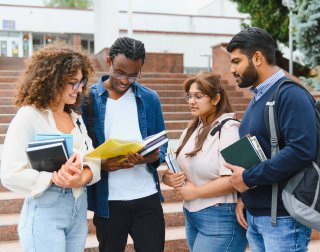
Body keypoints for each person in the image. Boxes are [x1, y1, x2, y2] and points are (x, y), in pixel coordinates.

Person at [0, 44, 101, 251]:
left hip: (78, 208)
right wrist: (54, 178)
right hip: (45, 210)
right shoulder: (29, 116)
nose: (80, 89)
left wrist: (82, 177)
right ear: (52, 82)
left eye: (81, 82)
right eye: (73, 83)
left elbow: (94, 159)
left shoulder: (76, 118)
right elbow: (9, 173)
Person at [224, 27, 317, 252]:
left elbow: (301, 150)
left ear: (257, 58)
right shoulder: (260, 97)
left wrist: (248, 177)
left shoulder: (290, 94)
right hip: (258, 216)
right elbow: (264, 148)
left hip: (283, 220)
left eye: (236, 61)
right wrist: (246, 195)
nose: (232, 69)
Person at [81, 37, 167, 252]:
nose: (125, 80)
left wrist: (153, 156)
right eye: (120, 72)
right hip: (109, 201)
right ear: (109, 60)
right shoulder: (87, 99)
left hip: (147, 198)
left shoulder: (150, 98)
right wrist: (101, 164)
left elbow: (162, 143)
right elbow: (80, 150)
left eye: (133, 75)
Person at [162, 72, 247, 252]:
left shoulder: (229, 129)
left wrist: (196, 192)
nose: (192, 101)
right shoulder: (192, 129)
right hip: (192, 215)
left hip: (220, 216)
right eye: (190, 96)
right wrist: (170, 179)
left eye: (198, 96)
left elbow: (235, 180)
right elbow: (179, 169)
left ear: (216, 99)